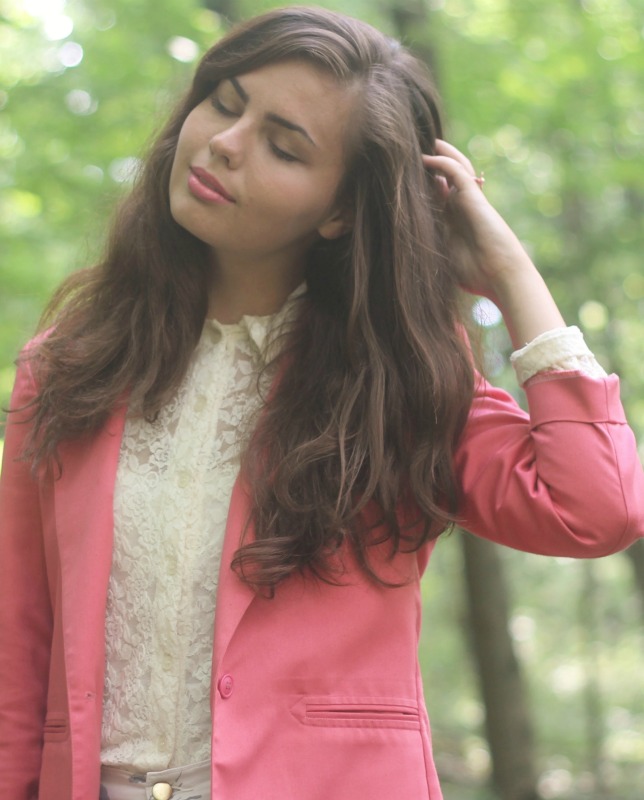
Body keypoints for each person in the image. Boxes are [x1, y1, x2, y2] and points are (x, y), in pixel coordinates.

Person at [1, 6, 643, 800]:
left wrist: (511, 274)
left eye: (284, 146)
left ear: (340, 211)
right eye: (224, 103)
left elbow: (596, 508)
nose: (225, 143)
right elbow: (20, 637)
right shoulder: (69, 365)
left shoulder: (399, 382)